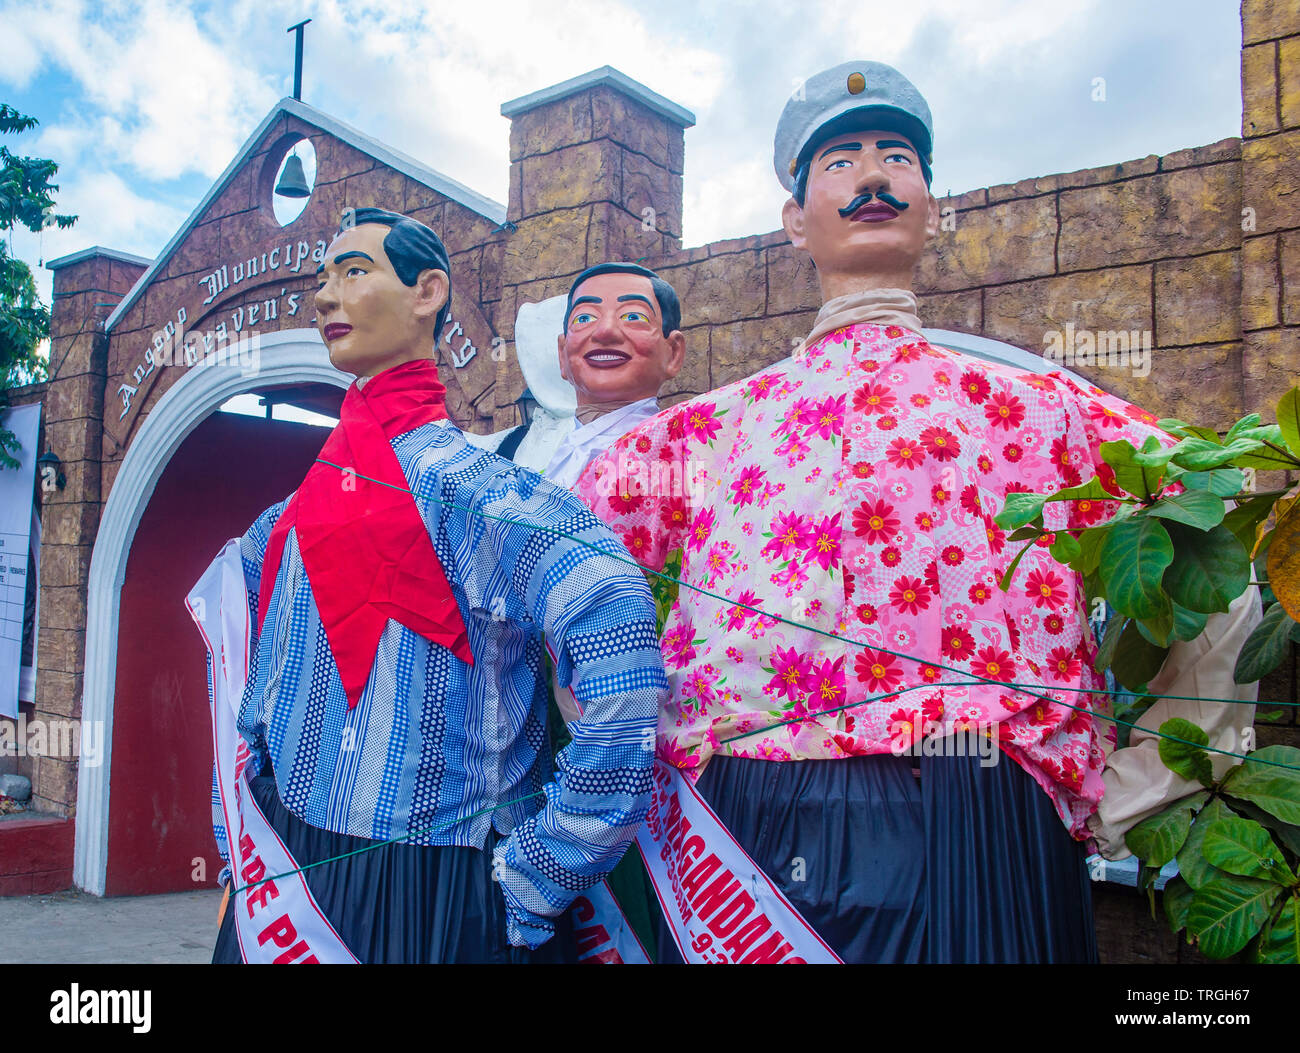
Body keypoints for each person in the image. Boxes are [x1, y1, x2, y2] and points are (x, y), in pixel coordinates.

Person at [573, 61, 1257, 963]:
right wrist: (615, 759)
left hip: (982, 814)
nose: (870, 177)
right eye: (839, 162)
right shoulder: (698, 437)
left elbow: (1220, 558)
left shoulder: (1053, 412)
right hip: (738, 822)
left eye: (897, 157)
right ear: (794, 220)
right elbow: (569, 591)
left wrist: (1141, 782)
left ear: (933, 208)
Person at [195, 207, 667, 963]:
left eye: (354, 272)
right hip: (281, 883)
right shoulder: (277, 527)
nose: (323, 297)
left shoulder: (491, 497)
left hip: (438, 894)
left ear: (429, 292)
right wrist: (237, 835)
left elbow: (619, 636)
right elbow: (238, 697)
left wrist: (542, 870)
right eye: (322, 279)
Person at [543, 262, 686, 488]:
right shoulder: (545, 458)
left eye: (632, 316)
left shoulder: (687, 458)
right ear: (562, 354)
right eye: (584, 318)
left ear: (674, 353)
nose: (605, 331)